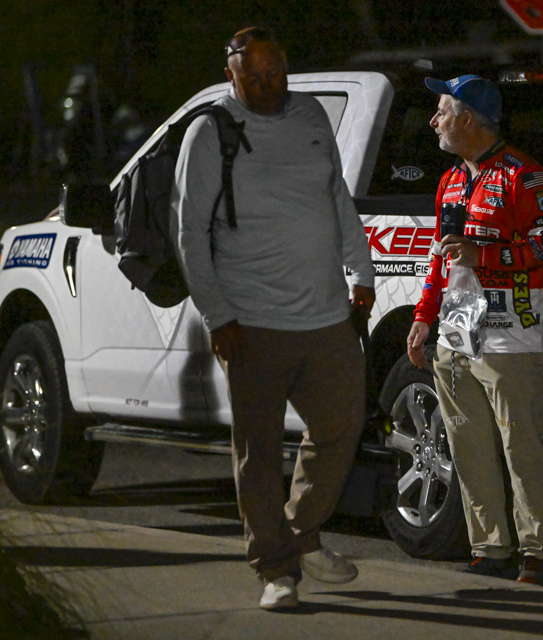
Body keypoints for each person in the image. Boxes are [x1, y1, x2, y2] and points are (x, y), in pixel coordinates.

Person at [173, 26, 375, 610]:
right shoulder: (210, 131)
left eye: (274, 74)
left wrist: (361, 271)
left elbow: (336, 196)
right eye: (252, 78)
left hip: (327, 314)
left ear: (286, 65)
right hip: (251, 321)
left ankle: (301, 530)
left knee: (342, 425)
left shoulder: (310, 115)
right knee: (257, 451)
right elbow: (190, 233)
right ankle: (276, 569)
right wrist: (218, 315)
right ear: (230, 74)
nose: (266, 86)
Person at [406, 75, 543, 587]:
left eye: (442, 111)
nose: (434, 121)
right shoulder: (450, 180)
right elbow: (440, 258)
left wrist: (487, 255)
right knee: (467, 445)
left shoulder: (524, 175)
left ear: (469, 119)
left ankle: (537, 555)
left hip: (513, 336)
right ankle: (489, 549)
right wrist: (423, 316)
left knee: (521, 446)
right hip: (456, 333)